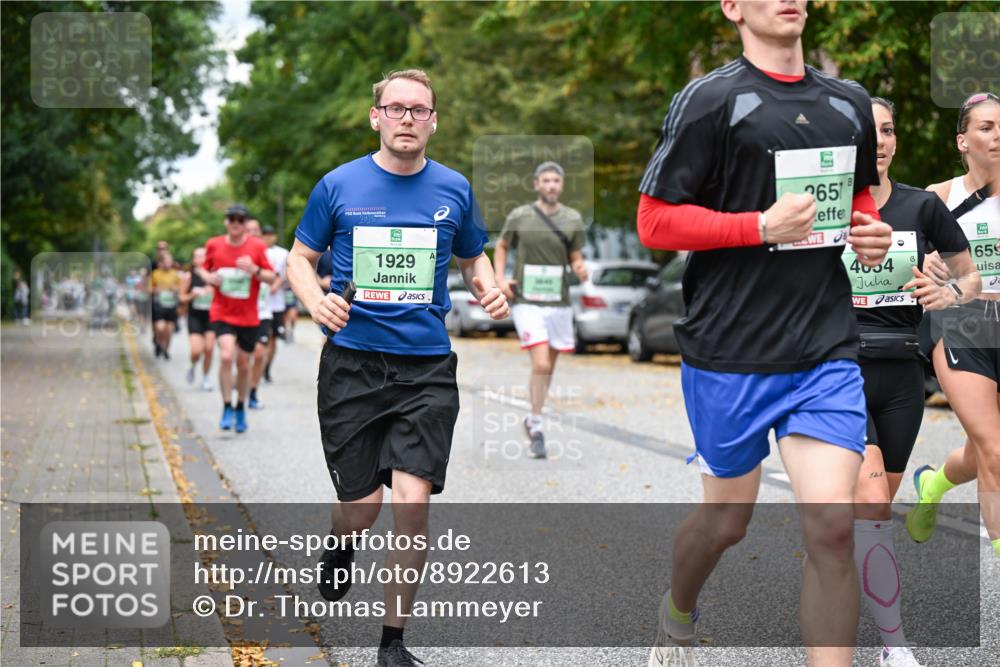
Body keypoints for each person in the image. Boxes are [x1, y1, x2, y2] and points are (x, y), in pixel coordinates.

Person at [634, 2, 893, 666]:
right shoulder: (710, 99)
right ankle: (677, 612)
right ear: (732, 7)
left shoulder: (848, 102)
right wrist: (756, 227)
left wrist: (867, 230)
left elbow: (857, 195)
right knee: (727, 522)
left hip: (824, 347)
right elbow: (655, 222)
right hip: (731, 352)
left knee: (834, 527)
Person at [285, 69, 508, 667]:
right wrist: (315, 300)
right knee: (363, 509)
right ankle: (340, 545)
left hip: (426, 368)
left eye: (420, 110)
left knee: (412, 502)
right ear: (376, 116)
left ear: (434, 121)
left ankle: (393, 643)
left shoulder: (453, 189)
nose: (408, 118)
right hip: (352, 366)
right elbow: (300, 259)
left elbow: (472, 257)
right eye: (397, 108)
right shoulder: (338, 185)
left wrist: (487, 289)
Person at [848, 98, 979, 667]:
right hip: (840, 369)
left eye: (888, 130)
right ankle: (894, 646)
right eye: (867, 131)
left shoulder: (921, 207)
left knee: (869, 512)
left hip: (903, 374)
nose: (880, 140)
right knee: (873, 503)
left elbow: (971, 275)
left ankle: (834, 575)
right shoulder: (826, 213)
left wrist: (949, 292)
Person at [907, 92, 1000, 559]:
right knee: (996, 451)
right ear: (962, 141)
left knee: (982, 450)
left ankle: (933, 483)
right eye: (986, 127)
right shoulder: (937, 198)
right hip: (962, 324)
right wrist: (925, 264)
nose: (998, 134)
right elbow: (910, 265)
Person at [494, 161, 588, 459]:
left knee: (549, 367)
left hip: (558, 302)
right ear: (536, 184)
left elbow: (574, 255)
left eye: (556, 181)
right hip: (527, 301)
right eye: (545, 180)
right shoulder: (520, 215)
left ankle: (533, 418)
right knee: (542, 364)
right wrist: (500, 279)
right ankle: (537, 425)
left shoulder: (572, 218)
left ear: (561, 186)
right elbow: (502, 246)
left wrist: (580, 267)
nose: (551, 186)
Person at [196, 204, 277, 433]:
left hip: (249, 316)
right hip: (222, 312)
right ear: (226, 222)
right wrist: (209, 277)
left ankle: (240, 405)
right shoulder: (214, 244)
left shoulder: (257, 246)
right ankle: (226, 406)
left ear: (245, 223)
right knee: (226, 355)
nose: (235, 223)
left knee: (243, 365)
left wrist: (254, 270)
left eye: (240, 220)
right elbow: (202, 269)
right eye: (231, 218)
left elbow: (271, 278)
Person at [245, 218, 273, 409]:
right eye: (250, 230)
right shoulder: (237, 254)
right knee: (242, 358)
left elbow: (275, 277)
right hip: (241, 314)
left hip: (263, 311)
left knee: (259, 354)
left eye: (256, 230)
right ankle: (241, 390)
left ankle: (253, 391)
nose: (253, 233)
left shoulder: (269, 254)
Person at [180, 247, 216, 391]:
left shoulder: (214, 276)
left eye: (203, 256)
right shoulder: (188, 277)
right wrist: (193, 295)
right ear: (194, 260)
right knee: (196, 350)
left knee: (209, 349)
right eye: (197, 256)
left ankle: (206, 377)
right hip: (195, 316)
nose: (200, 259)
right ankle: (193, 365)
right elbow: (182, 298)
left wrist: (213, 293)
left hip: (212, 317)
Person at [261, 225, 289, 383]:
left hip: (277, 303)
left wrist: (277, 284)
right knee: (263, 338)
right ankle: (260, 363)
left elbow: (286, 272)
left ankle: (267, 368)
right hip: (261, 303)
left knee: (273, 338)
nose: (267, 238)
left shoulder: (282, 253)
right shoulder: (259, 252)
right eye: (265, 235)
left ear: (274, 237)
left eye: (270, 235)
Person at [150, 253, 181, 359]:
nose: (168, 264)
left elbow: (181, 289)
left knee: (169, 329)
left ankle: (165, 349)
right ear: (161, 263)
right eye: (166, 262)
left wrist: (175, 290)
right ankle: (158, 342)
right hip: (159, 305)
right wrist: (155, 290)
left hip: (172, 305)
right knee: (160, 327)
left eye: (170, 261)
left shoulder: (176, 274)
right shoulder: (155, 274)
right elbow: (149, 289)